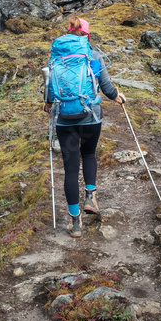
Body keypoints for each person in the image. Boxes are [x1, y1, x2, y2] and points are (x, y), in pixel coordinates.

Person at [44, 16, 126, 237]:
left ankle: (75, 223)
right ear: (86, 34)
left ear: (68, 31)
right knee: (89, 154)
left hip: (64, 119)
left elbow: (48, 88)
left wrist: (49, 104)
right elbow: (107, 87)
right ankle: (90, 197)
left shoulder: (56, 56)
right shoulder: (92, 54)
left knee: (70, 168)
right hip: (90, 116)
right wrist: (118, 96)